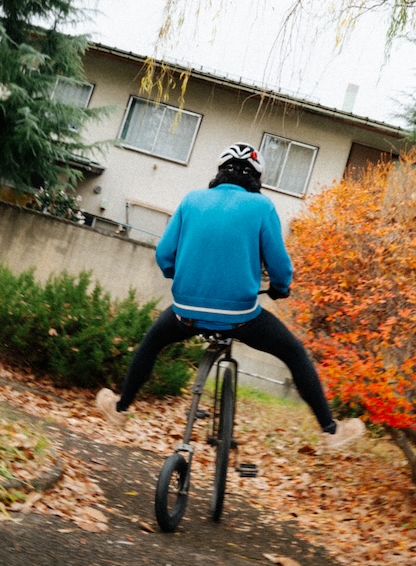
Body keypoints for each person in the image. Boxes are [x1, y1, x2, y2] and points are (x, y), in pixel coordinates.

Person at [95, 142, 365, 452]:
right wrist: (280, 288)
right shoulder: (262, 207)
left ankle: (121, 408)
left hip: (185, 313)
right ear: (256, 178)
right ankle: (330, 430)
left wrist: (181, 278)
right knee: (293, 352)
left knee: (152, 342)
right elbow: (280, 267)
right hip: (241, 319)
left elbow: (164, 255)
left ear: (220, 172)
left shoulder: (191, 200)